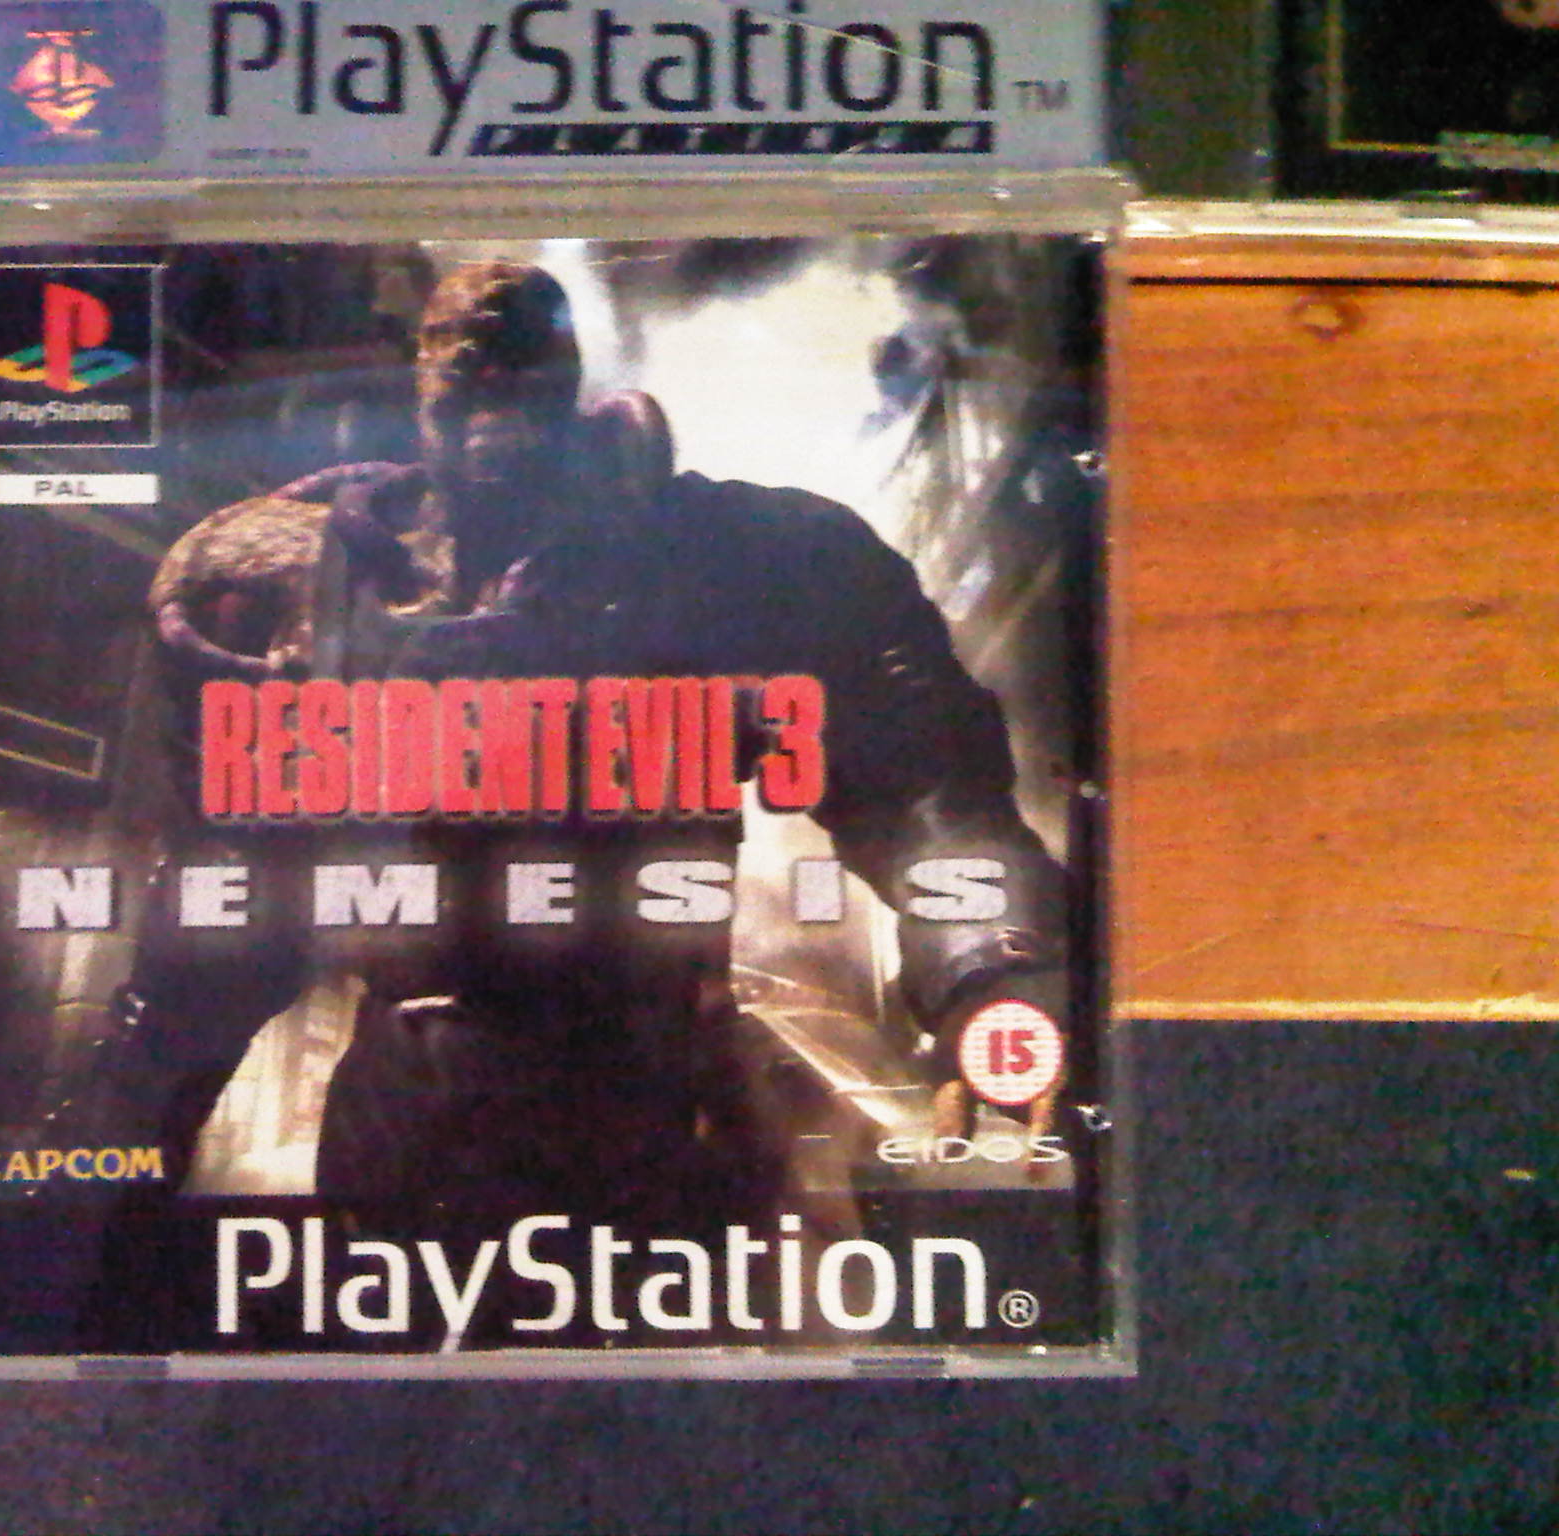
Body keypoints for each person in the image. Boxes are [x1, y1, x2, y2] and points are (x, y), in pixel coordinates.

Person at [126, 257, 1072, 1309]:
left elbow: (929, 795)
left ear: (571, 376)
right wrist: (132, 1115)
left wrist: (994, 979)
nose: (489, 373)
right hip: (407, 1130)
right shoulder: (314, 582)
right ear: (417, 382)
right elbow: (232, 886)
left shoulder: (742, 556)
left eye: (517, 353)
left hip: (656, 1111)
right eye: (464, 358)